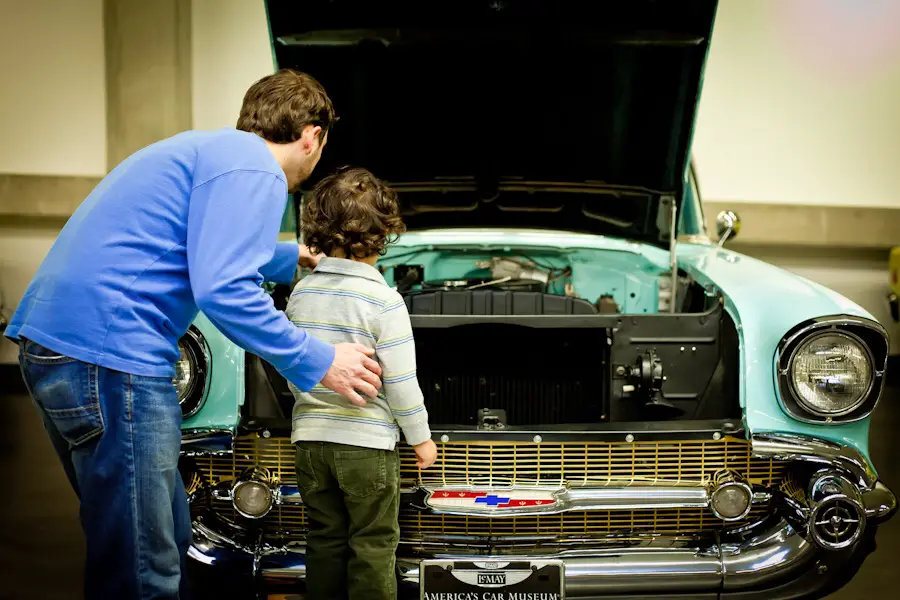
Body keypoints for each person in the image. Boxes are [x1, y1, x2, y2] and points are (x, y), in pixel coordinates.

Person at [3, 69, 383, 599]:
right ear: (312, 136)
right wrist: (317, 359)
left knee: (149, 538)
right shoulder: (259, 171)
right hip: (113, 358)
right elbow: (224, 287)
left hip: (60, 345)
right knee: (142, 567)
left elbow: (191, 240)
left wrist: (287, 256)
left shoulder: (208, 151)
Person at [285, 167, 437, 600]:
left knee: (325, 540)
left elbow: (289, 361)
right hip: (366, 445)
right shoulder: (384, 301)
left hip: (310, 444)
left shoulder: (302, 294)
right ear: (381, 236)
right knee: (372, 543)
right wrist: (421, 438)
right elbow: (402, 382)